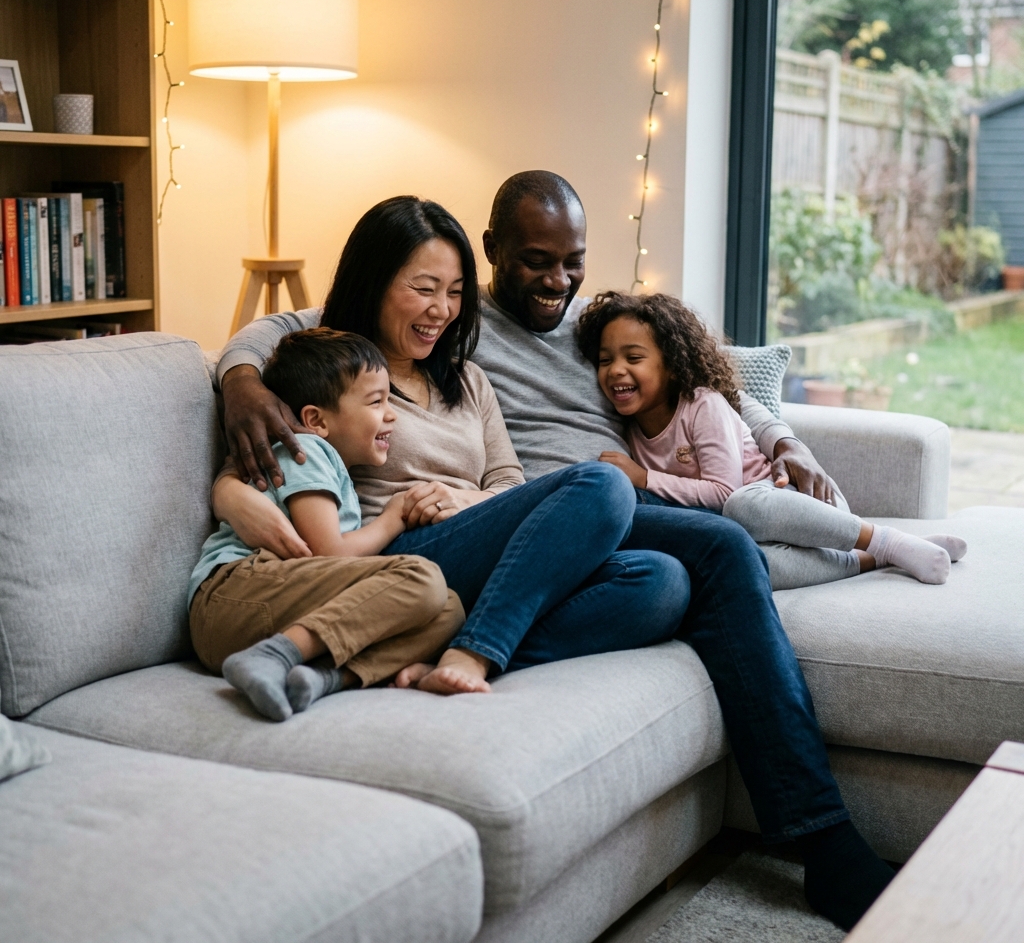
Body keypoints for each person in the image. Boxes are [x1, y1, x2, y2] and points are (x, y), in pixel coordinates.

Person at [216, 178, 892, 931]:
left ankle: (428, 651)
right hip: (413, 552)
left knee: (663, 585)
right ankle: (821, 836)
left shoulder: (479, 359)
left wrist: (783, 439)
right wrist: (238, 388)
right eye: (424, 289)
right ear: (495, 252)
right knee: (693, 534)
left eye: (570, 262)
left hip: (524, 528)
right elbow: (266, 340)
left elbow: (699, 381)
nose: (555, 281)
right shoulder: (344, 365)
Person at [213, 195, 689, 698]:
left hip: (483, 545)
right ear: (373, 283)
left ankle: (445, 648)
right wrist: (229, 479)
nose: (442, 310)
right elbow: (268, 446)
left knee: (661, 582)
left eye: (456, 292)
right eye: (424, 289)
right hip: (398, 558)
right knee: (605, 484)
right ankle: (475, 652)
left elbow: (508, 481)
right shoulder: (332, 377)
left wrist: (470, 500)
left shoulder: (469, 379)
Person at [575, 289, 968, 589]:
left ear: (673, 366)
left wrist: (644, 479)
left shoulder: (703, 404)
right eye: (606, 360)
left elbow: (724, 490)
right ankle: (875, 559)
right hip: (752, 533)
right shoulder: (628, 427)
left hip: (799, 505)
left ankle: (883, 540)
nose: (616, 371)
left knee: (744, 506)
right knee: (742, 563)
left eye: (634, 358)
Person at [190, 328, 464, 722]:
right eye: (376, 402)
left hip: (262, 613)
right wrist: (392, 518)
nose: (392, 414)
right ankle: (275, 655)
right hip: (233, 596)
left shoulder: (329, 465)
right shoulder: (308, 452)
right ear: (315, 420)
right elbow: (328, 552)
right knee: (423, 578)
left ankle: (317, 678)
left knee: (448, 609)